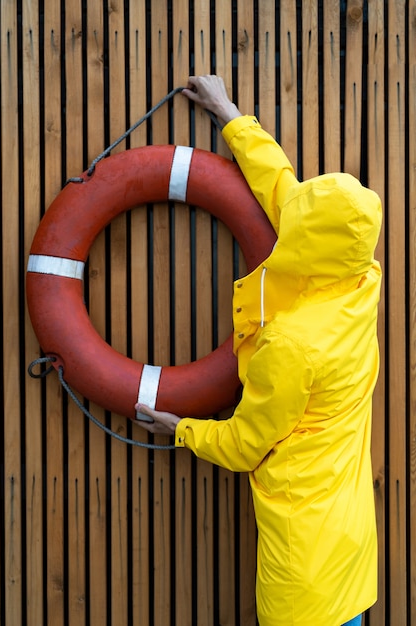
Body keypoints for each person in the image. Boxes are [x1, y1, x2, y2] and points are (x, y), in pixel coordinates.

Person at [135, 75, 382, 626]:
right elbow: (284, 188)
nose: (289, 210)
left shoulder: (292, 346)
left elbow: (247, 444)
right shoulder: (361, 280)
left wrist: (181, 427)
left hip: (305, 584)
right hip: (350, 552)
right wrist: (229, 114)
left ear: (307, 237)